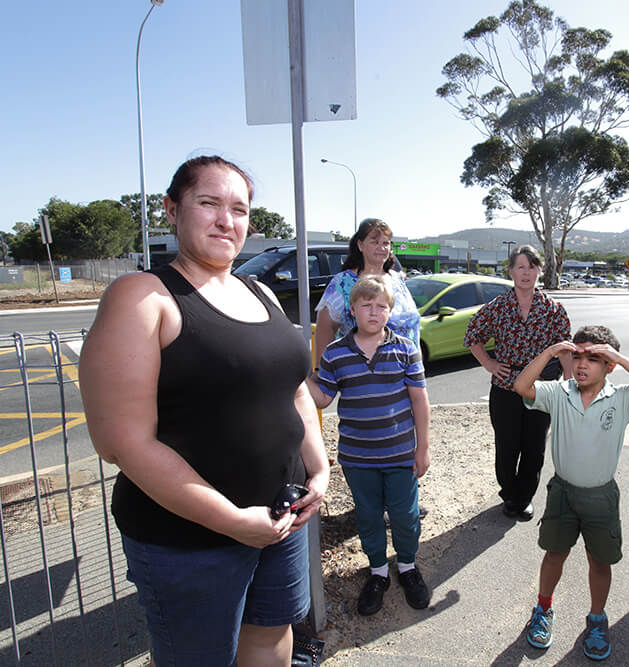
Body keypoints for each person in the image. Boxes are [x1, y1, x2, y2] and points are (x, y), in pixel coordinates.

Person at [79, 155, 330, 666]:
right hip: (188, 539)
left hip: (279, 519)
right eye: (208, 203)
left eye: (238, 208)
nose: (225, 219)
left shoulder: (259, 291)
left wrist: (321, 468)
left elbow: (294, 390)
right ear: (172, 210)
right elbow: (121, 442)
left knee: (272, 636)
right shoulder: (144, 297)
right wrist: (234, 521)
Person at [513, 326, 629, 661]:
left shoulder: (623, 398)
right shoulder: (559, 392)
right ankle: (543, 609)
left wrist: (619, 358)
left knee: (600, 560)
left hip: (601, 497)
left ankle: (597, 618)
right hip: (563, 493)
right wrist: (550, 353)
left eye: (594, 358)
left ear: (609, 365)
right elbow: (521, 386)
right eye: (577, 356)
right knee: (555, 553)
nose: (582, 364)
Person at [306, 274, 432, 616]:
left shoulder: (406, 349)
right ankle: (377, 571)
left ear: (390, 312)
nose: (374, 312)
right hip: (358, 457)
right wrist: (298, 377)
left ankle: (406, 565)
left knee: (405, 516)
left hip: (400, 454)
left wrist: (423, 448)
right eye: (366, 305)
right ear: (353, 309)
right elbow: (322, 398)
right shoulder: (335, 353)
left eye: (382, 307)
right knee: (369, 516)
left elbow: (420, 401)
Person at [464, 245, 571, 521]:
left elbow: (565, 349)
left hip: (541, 388)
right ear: (511, 271)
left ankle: (524, 498)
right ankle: (509, 493)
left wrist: (569, 384)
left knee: (534, 446)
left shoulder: (553, 309)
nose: (526, 273)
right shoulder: (498, 307)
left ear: (539, 270)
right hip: (506, 387)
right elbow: (472, 336)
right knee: (507, 444)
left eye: (531, 267)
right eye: (520, 267)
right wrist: (489, 363)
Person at [314, 218, 420, 361]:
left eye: (385, 243)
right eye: (374, 242)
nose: (381, 248)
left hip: (407, 372)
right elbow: (325, 327)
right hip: (364, 375)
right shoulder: (343, 283)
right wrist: (322, 370)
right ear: (360, 245)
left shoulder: (397, 279)